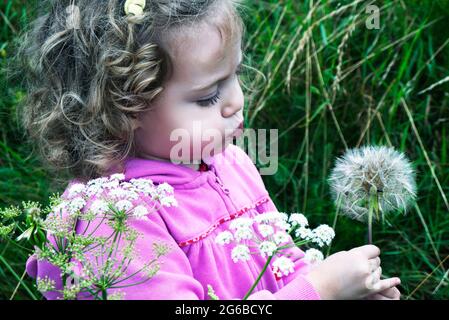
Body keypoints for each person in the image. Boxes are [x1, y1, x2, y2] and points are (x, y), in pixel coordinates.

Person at [18, 0, 400, 300]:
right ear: (121, 107)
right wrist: (320, 291)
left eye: (235, 74)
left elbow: (281, 261)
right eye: (208, 96)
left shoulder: (228, 161)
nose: (236, 101)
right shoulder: (115, 222)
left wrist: (347, 291)